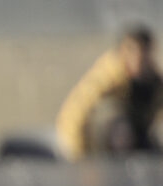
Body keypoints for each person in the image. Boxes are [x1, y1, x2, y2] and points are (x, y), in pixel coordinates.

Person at [57, 24, 163, 161]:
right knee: (122, 131)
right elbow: (76, 112)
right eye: (132, 52)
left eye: (143, 54)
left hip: (139, 139)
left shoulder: (153, 80)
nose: (138, 60)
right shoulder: (108, 76)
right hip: (107, 144)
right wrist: (80, 158)